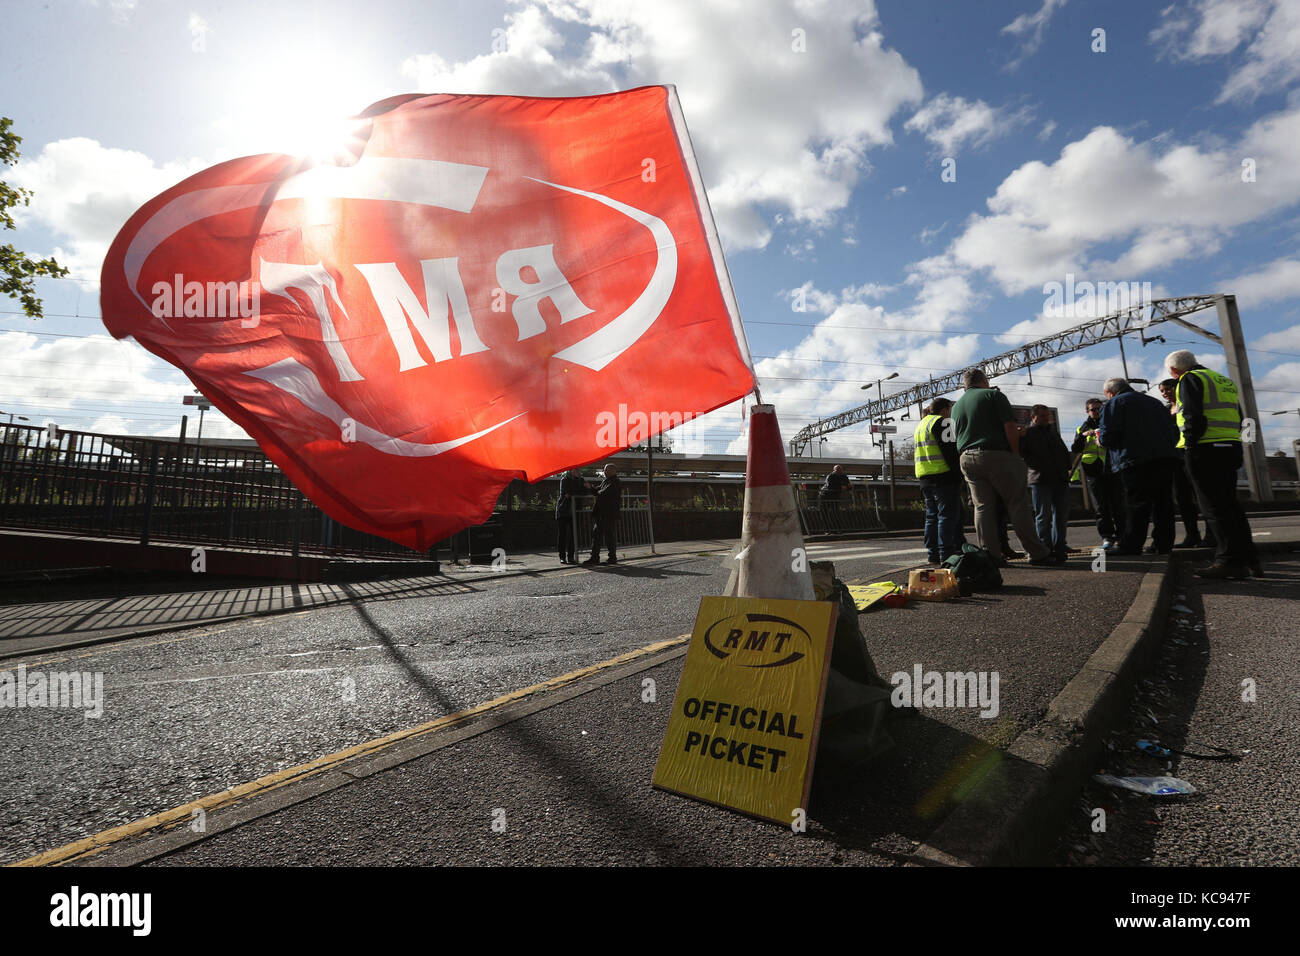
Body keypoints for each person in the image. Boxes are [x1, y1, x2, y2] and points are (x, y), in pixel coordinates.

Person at [1166, 350, 1261, 578]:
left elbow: (1192, 415)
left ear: (1174, 371)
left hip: (1204, 449)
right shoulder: (1222, 380)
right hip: (1230, 447)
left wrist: (1189, 444)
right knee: (1231, 506)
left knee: (1213, 508)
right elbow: (1239, 416)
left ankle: (1228, 561)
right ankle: (1250, 560)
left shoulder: (1189, 379)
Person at [951, 368, 1053, 565]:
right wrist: (1014, 454)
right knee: (1017, 503)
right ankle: (1037, 552)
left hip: (967, 457)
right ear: (984, 380)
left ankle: (991, 555)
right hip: (997, 455)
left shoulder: (956, 406)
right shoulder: (993, 395)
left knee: (982, 507)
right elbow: (1009, 427)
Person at [1098, 378, 1179, 555]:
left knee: (1137, 503)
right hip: (1165, 458)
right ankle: (1163, 544)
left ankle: (1131, 545)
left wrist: (1099, 438)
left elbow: (1107, 438)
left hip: (1134, 460)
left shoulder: (1114, 403)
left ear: (1110, 392)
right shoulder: (1155, 402)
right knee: (1163, 503)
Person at [1158, 378, 1213, 549]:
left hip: (1191, 453)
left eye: (1167, 389)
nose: (1164, 393)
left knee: (1201, 496)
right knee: (1182, 499)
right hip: (1175, 459)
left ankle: (1211, 535)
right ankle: (1192, 535)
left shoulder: (1186, 405)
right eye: (1162, 391)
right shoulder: (1165, 410)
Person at [1071, 397, 1125, 550]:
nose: (1097, 412)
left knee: (1118, 504)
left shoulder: (1109, 424)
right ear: (1087, 411)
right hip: (1092, 471)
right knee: (1100, 506)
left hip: (1112, 468)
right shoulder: (1081, 428)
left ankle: (1122, 536)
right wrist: (1083, 436)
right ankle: (1107, 537)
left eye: (1099, 409)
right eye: (1093, 409)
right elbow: (1075, 449)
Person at [913, 398, 962, 564]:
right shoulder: (944, 422)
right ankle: (946, 553)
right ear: (944, 410)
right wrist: (959, 475)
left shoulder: (921, 424)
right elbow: (951, 452)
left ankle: (933, 554)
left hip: (925, 476)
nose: (951, 413)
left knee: (931, 516)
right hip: (943, 475)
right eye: (950, 409)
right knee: (946, 516)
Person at [1020, 404, 1072, 561]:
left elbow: (1063, 451)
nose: (1046, 419)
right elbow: (1023, 453)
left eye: (1047, 416)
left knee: (1061, 515)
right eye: (1042, 416)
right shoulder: (1027, 433)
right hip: (1040, 479)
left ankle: (1059, 546)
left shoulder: (1051, 431)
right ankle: (1045, 547)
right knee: (1043, 515)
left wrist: (1066, 468)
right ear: (1033, 417)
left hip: (1059, 478)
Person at [583, 464, 622, 566]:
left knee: (609, 536)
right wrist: (590, 487)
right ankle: (595, 558)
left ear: (613, 471)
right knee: (597, 536)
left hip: (609, 514)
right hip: (601, 513)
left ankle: (612, 558)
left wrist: (596, 491)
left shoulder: (615, 481)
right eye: (604, 470)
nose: (604, 472)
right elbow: (597, 490)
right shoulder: (606, 481)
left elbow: (603, 493)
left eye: (606, 470)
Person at [555, 468, 588, 564]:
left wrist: (581, 490)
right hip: (563, 510)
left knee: (574, 535)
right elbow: (570, 491)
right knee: (562, 535)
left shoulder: (581, 480)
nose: (578, 472)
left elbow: (585, 492)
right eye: (576, 470)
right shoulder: (564, 479)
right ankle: (562, 557)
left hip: (576, 511)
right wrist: (581, 489)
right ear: (570, 471)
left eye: (579, 470)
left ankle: (571, 557)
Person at [819, 464, 851, 530]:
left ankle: (837, 528)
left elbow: (849, 486)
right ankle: (826, 529)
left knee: (835, 512)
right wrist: (841, 487)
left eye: (840, 470)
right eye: (837, 470)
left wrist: (847, 487)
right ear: (834, 470)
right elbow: (829, 486)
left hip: (835, 496)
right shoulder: (830, 476)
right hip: (825, 496)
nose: (839, 471)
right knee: (825, 513)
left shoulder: (844, 476)